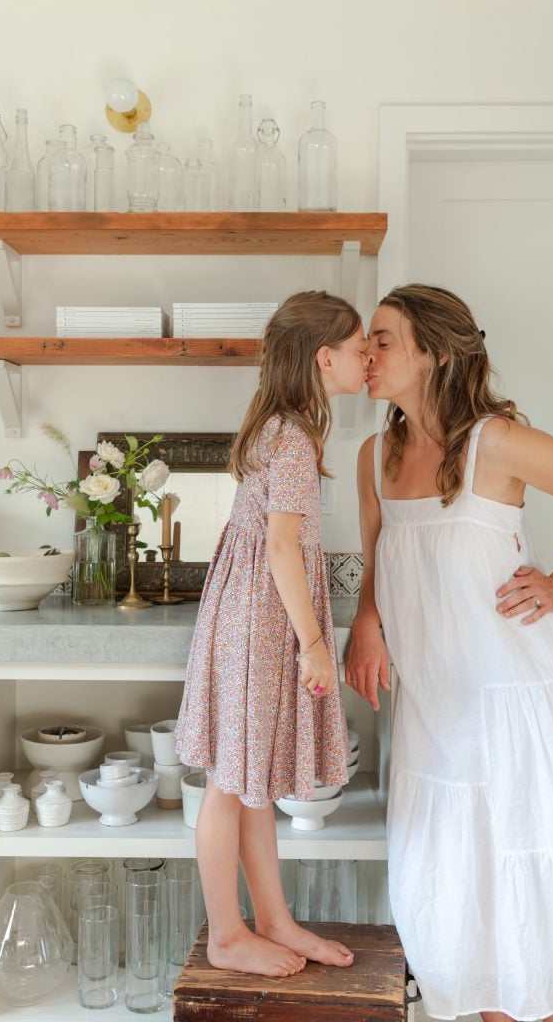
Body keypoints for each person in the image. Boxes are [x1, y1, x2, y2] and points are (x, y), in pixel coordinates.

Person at [345, 283, 553, 1022]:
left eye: (382, 339)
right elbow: (380, 555)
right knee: (463, 906)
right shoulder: (375, 455)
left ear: (436, 353)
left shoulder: (494, 442)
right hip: (437, 710)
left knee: (528, 898)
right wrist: (367, 620)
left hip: (521, 700)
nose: (365, 354)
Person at [176, 290, 368, 978]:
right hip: (262, 625)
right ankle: (228, 935)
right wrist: (316, 644)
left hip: (250, 618)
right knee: (231, 785)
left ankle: (274, 919)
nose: (367, 356)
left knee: (244, 777)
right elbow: (283, 550)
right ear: (324, 357)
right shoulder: (293, 439)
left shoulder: (279, 429)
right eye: (358, 346)